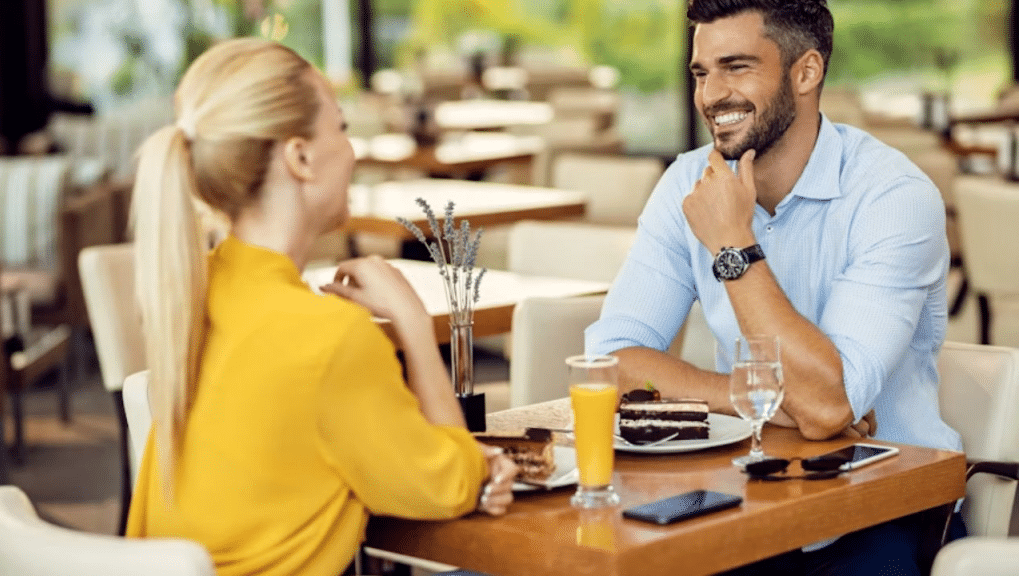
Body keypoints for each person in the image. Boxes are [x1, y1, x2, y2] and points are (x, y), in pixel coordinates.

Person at [586, 0, 964, 573]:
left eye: (736, 67)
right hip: (746, 496)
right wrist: (755, 399)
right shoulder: (686, 184)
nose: (712, 94)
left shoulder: (893, 197)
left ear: (806, 72)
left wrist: (733, 245)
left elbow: (824, 406)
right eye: (701, 72)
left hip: (886, 502)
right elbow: (607, 360)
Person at [125, 37, 518, 576]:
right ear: (301, 157)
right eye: (342, 128)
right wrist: (411, 323)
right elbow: (449, 486)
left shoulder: (199, 290)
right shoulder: (328, 337)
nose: (353, 150)